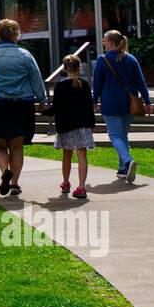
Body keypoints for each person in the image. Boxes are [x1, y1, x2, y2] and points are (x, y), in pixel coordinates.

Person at [0, 19, 47, 196]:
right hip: (22, 106)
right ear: (16, 34)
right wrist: (42, 100)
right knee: (17, 146)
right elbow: (36, 79)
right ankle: (14, 184)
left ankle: (5, 170)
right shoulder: (25, 55)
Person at [92, 29, 153, 183]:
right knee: (123, 136)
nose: (103, 42)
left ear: (111, 42)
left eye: (105, 39)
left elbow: (97, 84)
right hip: (129, 104)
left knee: (114, 136)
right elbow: (141, 82)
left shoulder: (103, 59)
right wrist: (147, 101)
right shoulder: (131, 59)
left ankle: (127, 160)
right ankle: (123, 169)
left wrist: (94, 100)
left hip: (110, 104)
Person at [51, 53, 95, 199]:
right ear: (79, 67)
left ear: (64, 68)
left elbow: (56, 108)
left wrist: (42, 110)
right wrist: (91, 124)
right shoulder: (85, 84)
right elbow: (90, 107)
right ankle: (82, 187)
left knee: (67, 155)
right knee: (82, 154)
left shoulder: (61, 86)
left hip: (66, 125)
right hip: (83, 125)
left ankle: (65, 182)